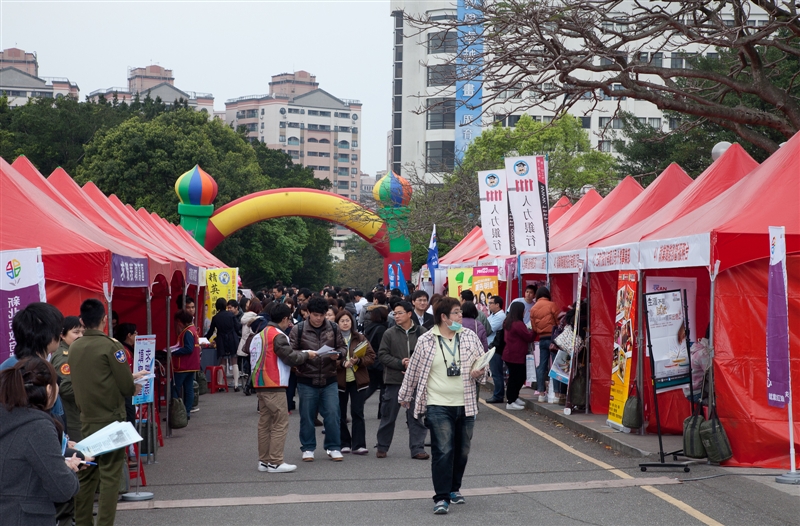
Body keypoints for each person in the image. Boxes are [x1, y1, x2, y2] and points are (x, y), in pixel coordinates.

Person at [398, 297, 488, 515]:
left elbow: (483, 365)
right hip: (437, 404)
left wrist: (479, 372)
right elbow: (414, 370)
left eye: (460, 312)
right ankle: (441, 497)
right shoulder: (426, 340)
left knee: (462, 450)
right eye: (456, 313)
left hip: (466, 403)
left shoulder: (469, 336)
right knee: (443, 450)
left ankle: (454, 488)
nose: (461, 316)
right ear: (444, 317)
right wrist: (405, 395)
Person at [69, 299, 147, 526]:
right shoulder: (112, 347)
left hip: (86, 419)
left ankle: (83, 522)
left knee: (86, 474)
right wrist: (133, 385)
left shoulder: (74, 347)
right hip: (111, 419)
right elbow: (125, 386)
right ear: (105, 319)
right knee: (110, 476)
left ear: (82, 321)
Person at [0, 357, 83, 526]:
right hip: (26, 518)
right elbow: (63, 489)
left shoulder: (9, 417)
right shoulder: (38, 427)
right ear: (49, 389)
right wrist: (68, 470)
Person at [250, 304, 315, 473]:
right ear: (285, 318)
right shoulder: (277, 335)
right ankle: (275, 462)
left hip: (260, 382)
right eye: (289, 319)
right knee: (280, 422)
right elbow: (291, 357)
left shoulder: (260, 334)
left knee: (265, 423)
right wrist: (307, 354)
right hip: (274, 383)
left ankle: (264, 461)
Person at [289, 296, 347, 462]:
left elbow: (343, 347)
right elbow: (291, 352)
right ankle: (308, 448)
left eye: (322, 315)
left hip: (329, 377)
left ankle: (333, 447)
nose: (319, 318)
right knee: (307, 416)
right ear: (308, 313)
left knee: (333, 414)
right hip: (306, 378)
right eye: (315, 315)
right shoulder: (298, 329)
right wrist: (306, 355)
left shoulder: (333, 327)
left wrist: (339, 354)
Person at [375, 300, 429, 459]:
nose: (396, 316)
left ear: (409, 314)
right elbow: (382, 355)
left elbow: (430, 354)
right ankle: (382, 446)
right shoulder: (389, 333)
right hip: (394, 380)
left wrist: (415, 365)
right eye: (394, 313)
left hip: (416, 381)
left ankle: (418, 448)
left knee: (416, 415)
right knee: (388, 416)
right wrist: (400, 363)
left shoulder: (422, 332)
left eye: (400, 313)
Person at [335, 310, 376, 454]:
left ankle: (359, 444)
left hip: (358, 380)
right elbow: (327, 359)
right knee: (340, 413)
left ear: (352, 322)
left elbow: (371, 356)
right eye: (342, 321)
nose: (345, 323)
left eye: (348, 320)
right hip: (339, 381)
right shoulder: (333, 338)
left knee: (357, 412)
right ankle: (344, 442)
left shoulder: (360, 337)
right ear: (337, 323)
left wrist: (358, 361)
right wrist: (341, 363)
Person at [51, 316, 84, 440]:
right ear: (62, 335)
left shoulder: (75, 352)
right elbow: (66, 388)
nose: (80, 336)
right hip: (73, 418)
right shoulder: (64, 357)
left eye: (82, 332)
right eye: (76, 332)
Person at [503, 301, 536, 410]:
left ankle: (514, 397)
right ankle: (511, 401)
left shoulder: (508, 321)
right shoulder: (518, 324)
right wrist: (534, 330)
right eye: (523, 310)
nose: (524, 312)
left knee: (515, 377)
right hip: (516, 355)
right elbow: (528, 337)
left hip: (509, 354)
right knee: (517, 378)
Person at [530, 287, 560, 403]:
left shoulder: (533, 308)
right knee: (555, 366)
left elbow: (534, 327)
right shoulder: (552, 305)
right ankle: (557, 395)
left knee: (542, 366)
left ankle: (541, 394)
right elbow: (558, 322)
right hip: (553, 339)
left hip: (542, 339)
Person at [205, 297, 239, 389]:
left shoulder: (215, 318)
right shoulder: (231, 315)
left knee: (222, 361)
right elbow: (237, 327)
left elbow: (210, 332)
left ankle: (220, 384)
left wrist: (204, 339)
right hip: (232, 339)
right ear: (225, 305)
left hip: (221, 340)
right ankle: (236, 384)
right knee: (234, 361)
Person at [172, 310, 201, 418]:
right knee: (188, 388)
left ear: (180, 321)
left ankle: (176, 412)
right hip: (192, 365)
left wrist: (174, 351)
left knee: (174, 388)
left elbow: (188, 348)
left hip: (183, 365)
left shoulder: (187, 332)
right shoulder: (193, 329)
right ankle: (186, 412)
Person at [363, 306, 388, 418]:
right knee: (383, 386)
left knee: (372, 385)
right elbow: (383, 347)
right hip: (379, 361)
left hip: (371, 360)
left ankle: (360, 401)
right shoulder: (382, 329)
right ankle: (382, 412)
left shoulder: (369, 327)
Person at [236, 301, 264, 392]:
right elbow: (253, 331)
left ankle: (249, 385)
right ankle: (250, 386)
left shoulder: (244, 316)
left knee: (249, 365)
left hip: (244, 344)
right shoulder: (256, 318)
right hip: (253, 344)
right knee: (254, 366)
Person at [485, 296, 507, 403]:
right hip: (491, 347)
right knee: (495, 372)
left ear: (497, 305)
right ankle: (498, 394)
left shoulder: (501, 316)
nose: (489, 305)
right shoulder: (493, 315)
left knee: (497, 373)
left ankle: (498, 395)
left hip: (496, 348)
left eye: (491, 303)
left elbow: (488, 329)